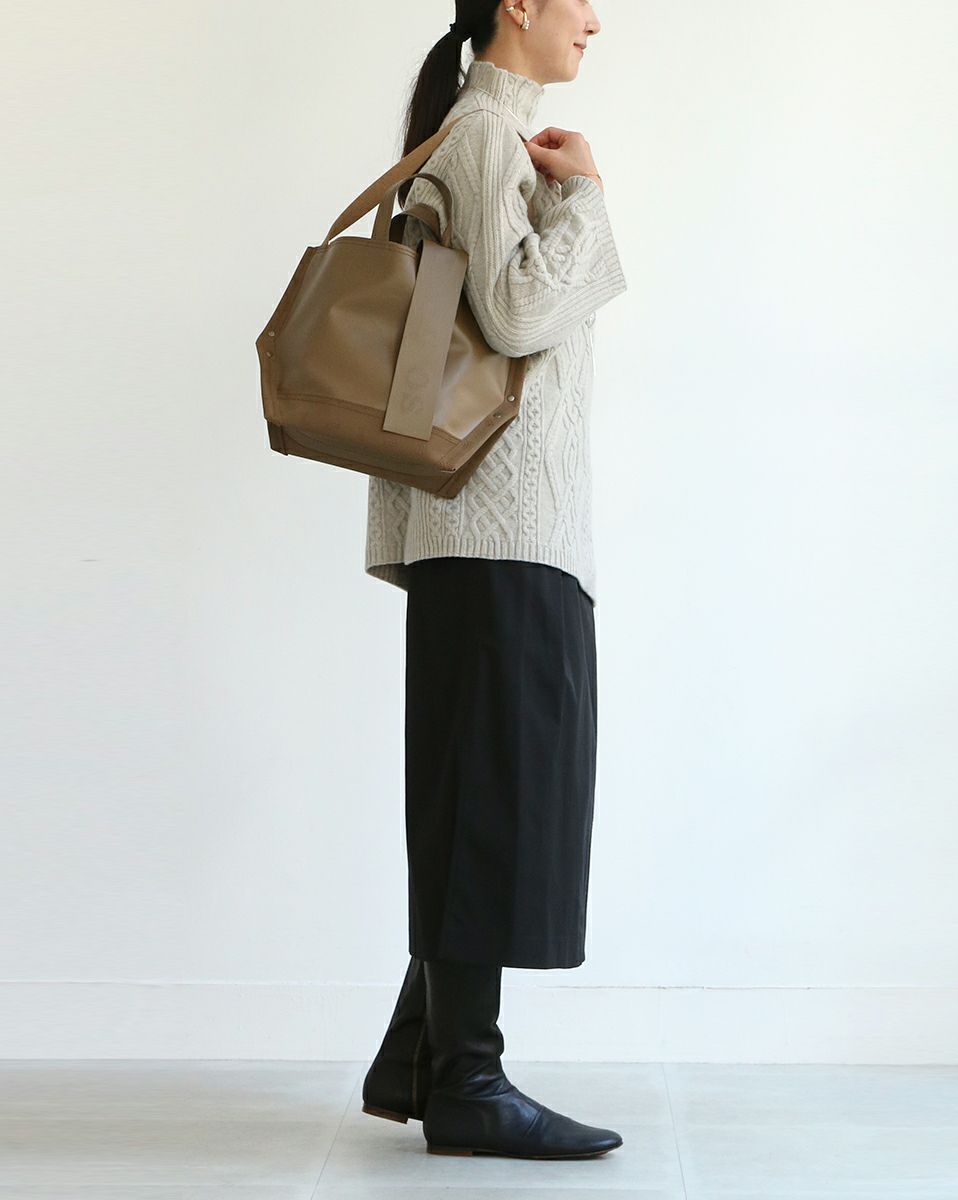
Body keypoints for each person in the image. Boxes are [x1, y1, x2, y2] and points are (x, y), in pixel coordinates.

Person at [362, 0, 628, 1159]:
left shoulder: (487, 136)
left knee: (484, 789)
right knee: (490, 798)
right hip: (497, 528)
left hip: (500, 530)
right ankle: (468, 1080)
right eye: (577, 0)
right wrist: (586, 198)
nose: (595, 21)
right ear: (517, 4)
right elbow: (518, 316)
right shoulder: (480, 137)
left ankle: (424, 1058)